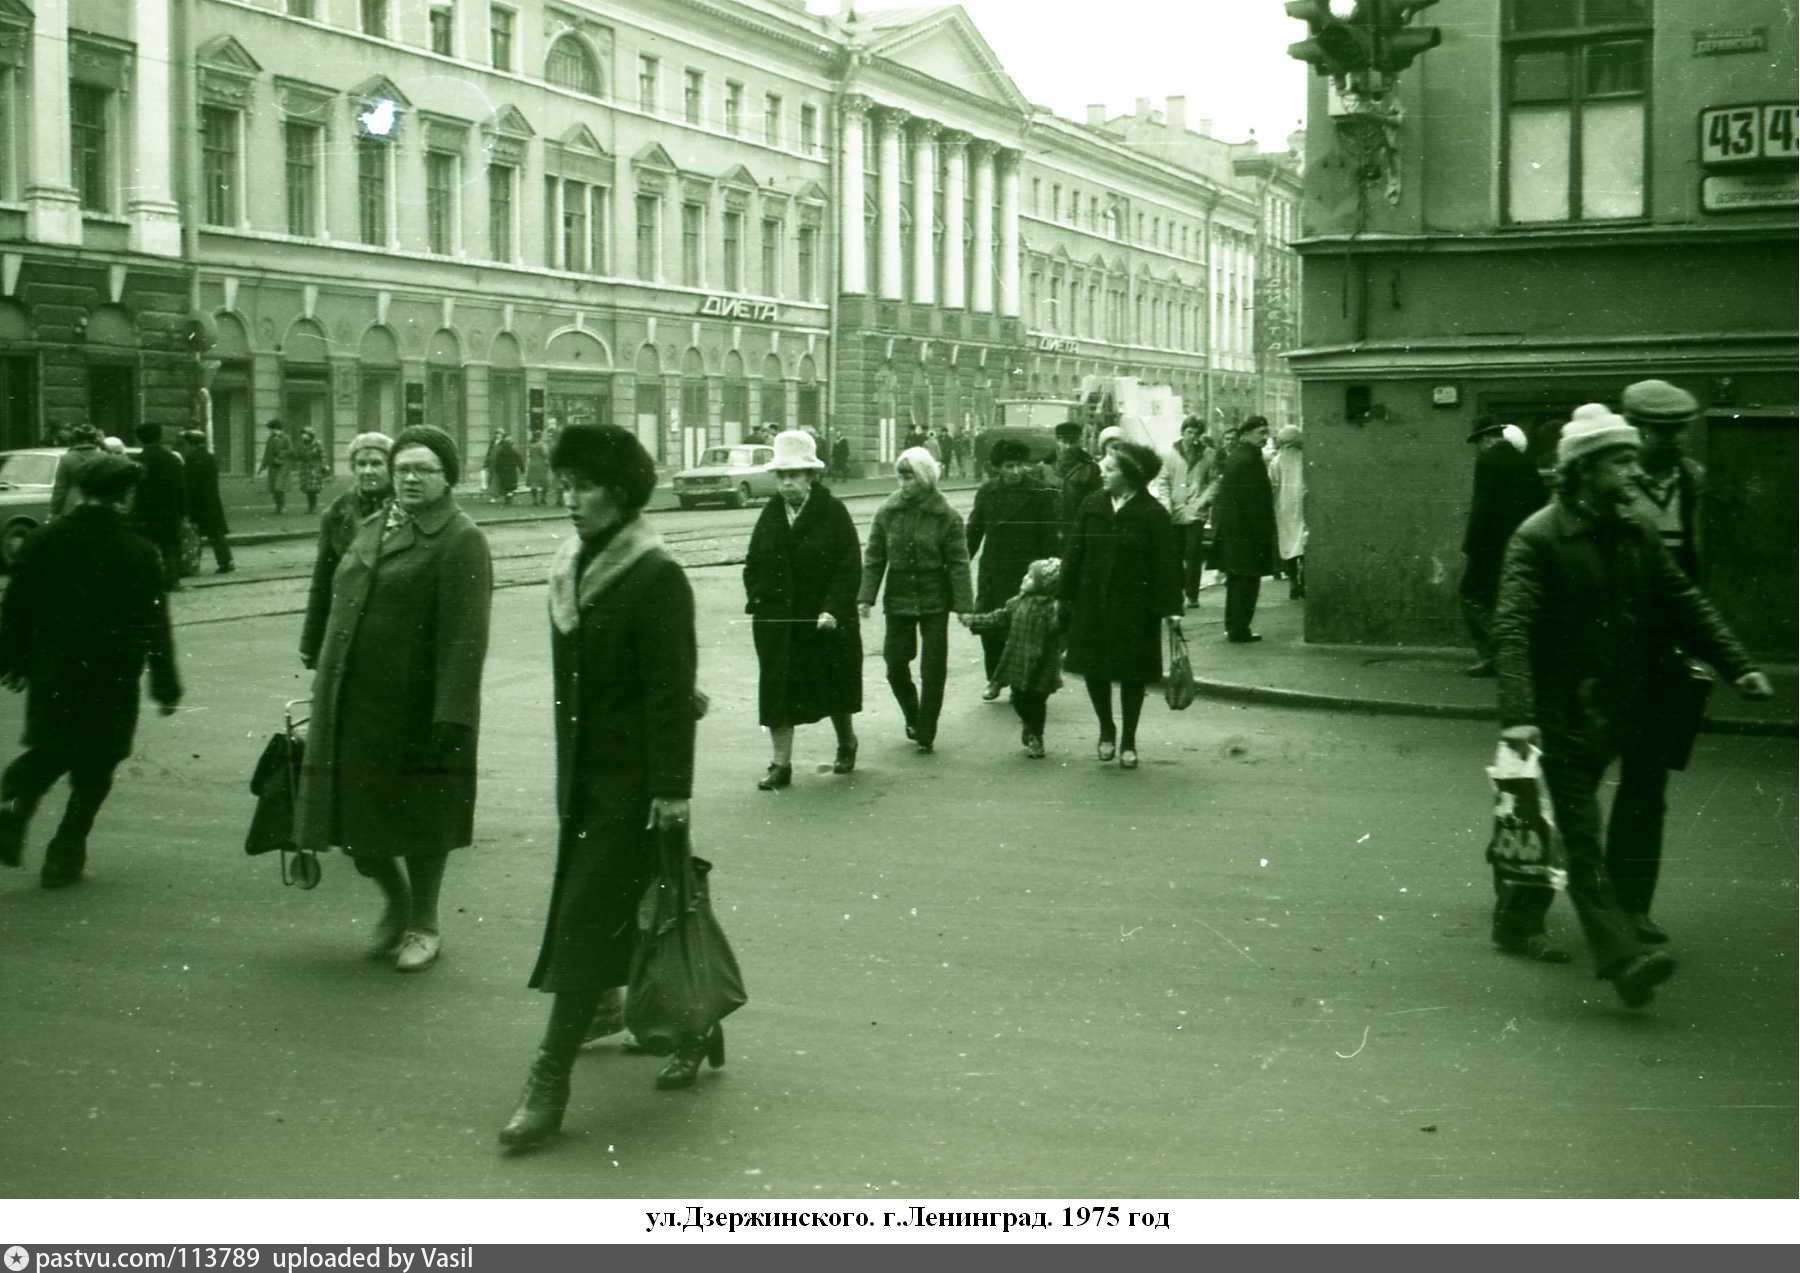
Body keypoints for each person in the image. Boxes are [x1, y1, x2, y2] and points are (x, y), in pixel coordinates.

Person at [1491, 406, 1772, 1007]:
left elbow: (1683, 601)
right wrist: (1518, 712)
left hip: (1619, 700)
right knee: (1581, 831)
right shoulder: (1538, 536)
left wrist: (1738, 664)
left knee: (1548, 824)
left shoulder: (1634, 531)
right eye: (1619, 460)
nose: (1630, 467)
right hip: (1560, 706)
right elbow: (1511, 629)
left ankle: (1515, 917)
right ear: (1585, 469)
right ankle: (1623, 961)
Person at [499, 424, 702, 1151]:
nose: (569, 499)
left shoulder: (654, 574)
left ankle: (549, 1078)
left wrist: (673, 787)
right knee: (655, 904)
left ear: (618, 494)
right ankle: (695, 1023)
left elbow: (670, 691)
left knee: (593, 914)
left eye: (582, 486)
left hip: (634, 784)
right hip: (581, 777)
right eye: (567, 483)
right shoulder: (573, 564)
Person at [296, 425, 492, 974]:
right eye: (402, 467)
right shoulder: (372, 524)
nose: (408, 477)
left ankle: (424, 923)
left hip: (418, 708)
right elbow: (339, 597)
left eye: (422, 469)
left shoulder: (459, 538)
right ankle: (396, 900)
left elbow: (466, 638)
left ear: (447, 477)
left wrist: (451, 714)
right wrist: (319, 662)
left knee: (423, 821)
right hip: (353, 701)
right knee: (353, 815)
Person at [0, 457, 181, 887]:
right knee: (97, 766)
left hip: (53, 671)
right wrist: (164, 683)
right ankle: (64, 854)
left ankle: (12, 805)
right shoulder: (139, 551)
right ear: (126, 495)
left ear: (82, 491)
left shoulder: (44, 539)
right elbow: (154, 624)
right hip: (112, 676)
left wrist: (12, 662)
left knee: (50, 749)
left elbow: (16, 607)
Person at [743, 431, 863, 790]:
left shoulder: (832, 512)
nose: (786, 483)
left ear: (811, 475)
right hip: (779, 621)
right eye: (781, 476)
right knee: (777, 691)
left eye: (794, 474)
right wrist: (757, 598)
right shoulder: (771, 514)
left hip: (822, 620)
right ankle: (781, 765)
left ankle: (846, 742)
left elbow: (848, 566)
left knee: (833, 684)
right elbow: (752, 563)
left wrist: (833, 608)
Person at [1059, 441, 1184, 769]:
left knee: (1132, 673)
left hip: (1135, 609)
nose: (1102, 469)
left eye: (1110, 467)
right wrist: (1064, 596)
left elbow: (1167, 565)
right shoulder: (1092, 504)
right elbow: (1074, 553)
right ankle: (1106, 728)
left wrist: (1171, 609)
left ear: (1130, 476)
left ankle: (1128, 738)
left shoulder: (1153, 514)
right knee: (1093, 669)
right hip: (1092, 604)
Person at [857, 446, 973, 754]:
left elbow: (959, 562)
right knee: (895, 664)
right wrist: (865, 597)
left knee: (933, 668)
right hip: (898, 597)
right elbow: (875, 556)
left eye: (911, 477)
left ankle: (926, 729)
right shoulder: (887, 511)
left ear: (925, 477)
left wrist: (964, 606)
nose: (904, 483)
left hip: (935, 597)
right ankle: (912, 713)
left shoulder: (946, 516)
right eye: (901, 476)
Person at [966, 438, 1058, 699]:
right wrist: (958, 565)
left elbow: (1050, 536)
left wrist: (1050, 572)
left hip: (1027, 572)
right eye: (1009, 466)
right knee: (989, 626)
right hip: (993, 570)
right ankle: (994, 679)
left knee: (1023, 628)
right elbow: (973, 533)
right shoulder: (987, 492)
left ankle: (1023, 681)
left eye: (1019, 465)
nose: (1016, 471)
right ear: (998, 468)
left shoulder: (1040, 492)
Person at [1459, 415, 1546, 677]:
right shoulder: (1526, 461)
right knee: (1511, 599)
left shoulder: (1487, 461)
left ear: (1487, 438)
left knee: (1471, 596)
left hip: (1490, 546)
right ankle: (1516, 656)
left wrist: (1470, 545)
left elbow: (1481, 507)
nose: (1479, 447)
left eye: (1479, 441)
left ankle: (1492, 656)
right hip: (1524, 541)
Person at [299, 432, 393, 671]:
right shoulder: (337, 513)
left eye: (376, 464)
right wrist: (310, 643)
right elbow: (322, 581)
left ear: (391, 468)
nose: (367, 471)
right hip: (347, 629)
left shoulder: (404, 509)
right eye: (361, 464)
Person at [961, 558, 1065, 759]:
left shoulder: (1053, 609)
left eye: (1030, 577)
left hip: (1043, 664)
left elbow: (1062, 628)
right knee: (1018, 699)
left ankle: (1036, 735)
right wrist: (974, 621)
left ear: (1044, 585)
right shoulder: (1017, 602)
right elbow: (998, 617)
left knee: (1038, 701)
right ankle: (1029, 723)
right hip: (1018, 661)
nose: (1025, 578)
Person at [1621, 379, 1706, 582]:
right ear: (1635, 429)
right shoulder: (1616, 480)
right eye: (1665, 430)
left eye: (1682, 428)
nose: (1678, 438)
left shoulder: (1695, 478)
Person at [1210, 416, 1277, 643]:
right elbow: (1253, 501)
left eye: (1266, 432)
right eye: (1261, 432)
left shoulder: (1239, 456)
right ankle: (1240, 630)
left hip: (1235, 531)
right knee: (1247, 583)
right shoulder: (1249, 459)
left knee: (1237, 581)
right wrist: (1262, 533)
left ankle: (1234, 627)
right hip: (1247, 533)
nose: (1265, 437)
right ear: (1246, 433)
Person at [1159, 417, 1217, 609]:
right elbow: (1163, 482)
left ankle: (1192, 595)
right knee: (1174, 555)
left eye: (1196, 433)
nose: (1193, 437)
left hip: (1195, 512)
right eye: (1189, 432)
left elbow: (1214, 481)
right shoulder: (1170, 454)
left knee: (1193, 554)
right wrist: (1166, 505)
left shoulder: (1208, 454)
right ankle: (1176, 593)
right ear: (1182, 432)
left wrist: (1202, 502)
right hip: (1174, 511)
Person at [132, 424, 187, 591]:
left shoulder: (139, 460)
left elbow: (134, 488)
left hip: (144, 511)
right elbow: (181, 487)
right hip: (169, 511)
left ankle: (146, 580)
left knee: (144, 546)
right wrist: (183, 512)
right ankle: (173, 580)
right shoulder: (171, 459)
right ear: (159, 436)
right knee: (170, 546)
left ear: (140, 439)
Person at [178, 430, 235, 575]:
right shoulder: (209, 456)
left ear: (190, 443)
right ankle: (226, 562)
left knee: (194, 535)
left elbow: (189, 482)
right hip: (211, 501)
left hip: (198, 502)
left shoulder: (191, 458)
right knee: (216, 534)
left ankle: (192, 565)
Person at [1268, 426, 1308, 601]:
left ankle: (1293, 582)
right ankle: (1302, 581)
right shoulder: (1306, 458)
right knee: (1303, 544)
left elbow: (1273, 486)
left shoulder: (1277, 461)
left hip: (1285, 508)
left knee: (1288, 546)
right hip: (1301, 507)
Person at [1052, 419, 1102, 538]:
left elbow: (1096, 504)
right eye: (1064, 441)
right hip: (1051, 530)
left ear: (1080, 441)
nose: (1068, 447)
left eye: (1073, 442)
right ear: (1057, 441)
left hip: (1078, 530)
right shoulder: (1045, 467)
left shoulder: (1091, 469)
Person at [48, 424, 103, 520]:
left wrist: (53, 511)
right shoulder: (103, 457)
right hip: (99, 505)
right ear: (94, 440)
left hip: (73, 505)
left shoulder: (67, 458)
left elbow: (60, 489)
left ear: (75, 439)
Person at [258, 419, 292, 514]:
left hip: (283, 466)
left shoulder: (286, 438)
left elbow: (290, 450)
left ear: (277, 428)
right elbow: (267, 453)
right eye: (270, 429)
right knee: (274, 488)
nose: (271, 431)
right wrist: (262, 466)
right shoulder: (270, 439)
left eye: (272, 429)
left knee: (279, 487)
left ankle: (283, 506)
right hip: (273, 467)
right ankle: (278, 506)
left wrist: (280, 455)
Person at [294, 427, 328, 516]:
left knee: (313, 489)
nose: (303, 436)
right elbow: (298, 456)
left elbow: (323, 455)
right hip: (305, 469)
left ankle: (313, 507)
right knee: (307, 490)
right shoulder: (301, 445)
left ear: (310, 435)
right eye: (302, 434)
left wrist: (324, 466)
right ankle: (310, 507)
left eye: (305, 434)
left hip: (314, 468)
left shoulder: (317, 444)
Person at [489, 431, 522, 505]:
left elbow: (498, 461)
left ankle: (507, 498)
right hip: (512, 470)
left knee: (505, 485)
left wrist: (498, 469)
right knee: (511, 486)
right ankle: (509, 498)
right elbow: (519, 459)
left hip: (503, 471)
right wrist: (522, 468)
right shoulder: (514, 450)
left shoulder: (501, 451)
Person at [525, 427, 551, 506]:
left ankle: (534, 500)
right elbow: (546, 454)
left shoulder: (531, 445)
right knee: (545, 483)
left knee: (534, 483)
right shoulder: (542, 445)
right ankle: (543, 498)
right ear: (540, 436)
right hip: (541, 465)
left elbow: (529, 454)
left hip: (532, 464)